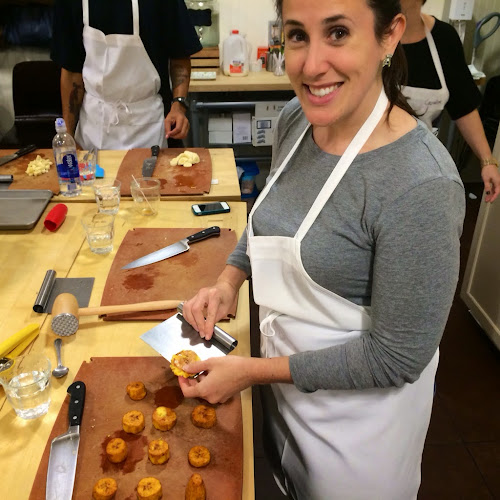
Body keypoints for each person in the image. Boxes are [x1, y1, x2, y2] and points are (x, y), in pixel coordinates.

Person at [176, 1, 465, 498]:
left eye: (337, 33)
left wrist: (252, 373)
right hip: (286, 405)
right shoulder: (297, 120)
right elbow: (272, 217)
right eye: (297, 35)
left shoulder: (422, 184)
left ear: (390, 35)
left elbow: (396, 357)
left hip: (357, 446)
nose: (311, 66)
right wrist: (228, 281)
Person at [50, 0, 202, 150]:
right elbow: (71, 71)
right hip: (93, 127)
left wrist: (178, 106)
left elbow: (180, 56)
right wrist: (67, 135)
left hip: (148, 125)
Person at [400, 0, 500, 203]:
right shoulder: (364, 36)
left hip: (416, 169)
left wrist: (487, 161)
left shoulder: (443, 39)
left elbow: (463, 107)